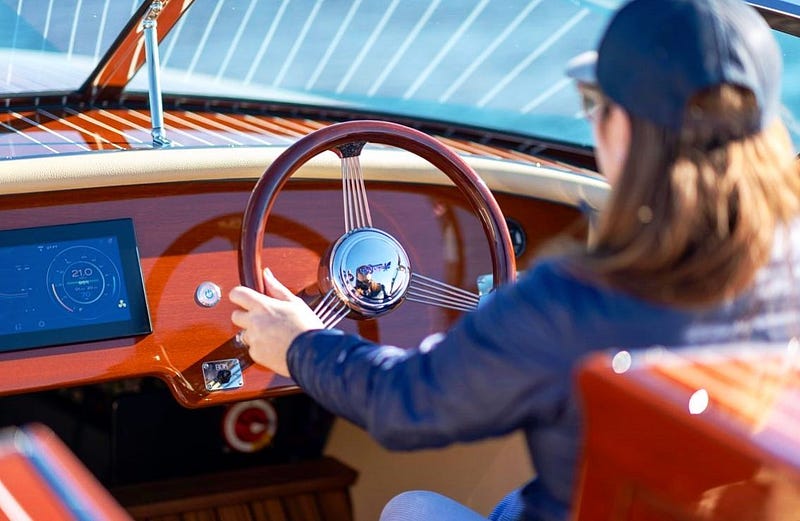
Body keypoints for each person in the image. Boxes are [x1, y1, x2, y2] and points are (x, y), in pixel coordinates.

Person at [229, 0, 800, 519]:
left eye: (593, 103)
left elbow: (406, 405)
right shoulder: (789, 265)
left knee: (409, 508)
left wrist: (300, 342)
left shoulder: (570, 300)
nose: (593, 120)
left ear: (624, 127)